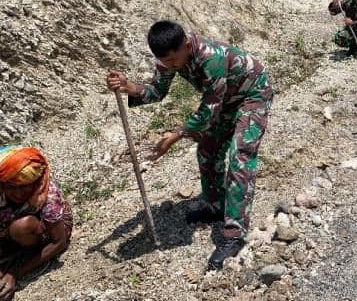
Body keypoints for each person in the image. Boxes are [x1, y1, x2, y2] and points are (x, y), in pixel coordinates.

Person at [106, 20, 273, 270]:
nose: (171, 65)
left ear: (185, 45)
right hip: (225, 101)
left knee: (240, 158)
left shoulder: (211, 58)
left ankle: (234, 235)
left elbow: (209, 109)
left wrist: (175, 135)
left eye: (174, 60)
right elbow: (156, 91)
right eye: (166, 61)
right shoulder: (168, 57)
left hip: (252, 96)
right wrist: (128, 86)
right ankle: (216, 206)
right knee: (207, 150)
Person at [0, 145, 73, 300]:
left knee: (21, 227)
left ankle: (25, 251)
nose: (18, 194)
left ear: (34, 181)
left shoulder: (47, 195)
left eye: (24, 187)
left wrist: (15, 273)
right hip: (8, 227)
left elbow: (59, 242)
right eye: (11, 187)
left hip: (48, 230)